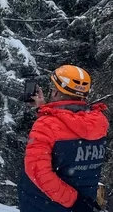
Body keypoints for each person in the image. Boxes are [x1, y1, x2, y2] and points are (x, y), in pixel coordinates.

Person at [18, 65, 108, 212]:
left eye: (53, 86)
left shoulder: (46, 125)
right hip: (85, 203)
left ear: (56, 91)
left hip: (45, 204)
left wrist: (73, 200)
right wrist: (43, 109)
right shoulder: (99, 121)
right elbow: (68, 128)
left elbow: (37, 172)